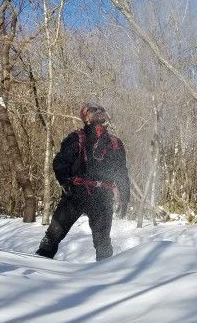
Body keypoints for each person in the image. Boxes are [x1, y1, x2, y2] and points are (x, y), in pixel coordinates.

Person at [36, 103, 130, 261]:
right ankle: (34, 269)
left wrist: (125, 196)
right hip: (76, 194)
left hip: (102, 197)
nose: (99, 116)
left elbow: (121, 171)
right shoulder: (76, 138)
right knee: (53, 235)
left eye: (101, 112)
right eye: (94, 113)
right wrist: (65, 182)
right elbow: (60, 162)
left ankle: (106, 278)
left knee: (103, 244)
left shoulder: (115, 143)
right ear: (85, 118)